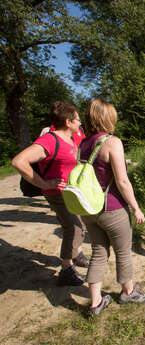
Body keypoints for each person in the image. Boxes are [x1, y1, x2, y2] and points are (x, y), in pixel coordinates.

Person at [79, 99, 145, 316]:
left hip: (89, 208)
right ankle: (128, 292)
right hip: (112, 208)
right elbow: (122, 181)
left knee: (99, 252)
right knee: (123, 251)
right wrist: (136, 207)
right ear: (108, 118)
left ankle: (95, 301)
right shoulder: (112, 142)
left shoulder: (84, 143)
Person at [12, 101, 89, 286]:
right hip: (57, 193)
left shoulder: (71, 138)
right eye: (78, 119)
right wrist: (44, 183)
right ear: (68, 121)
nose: (80, 123)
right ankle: (66, 269)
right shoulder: (49, 140)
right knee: (74, 228)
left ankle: (75, 254)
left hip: (71, 192)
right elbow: (19, 161)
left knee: (79, 225)